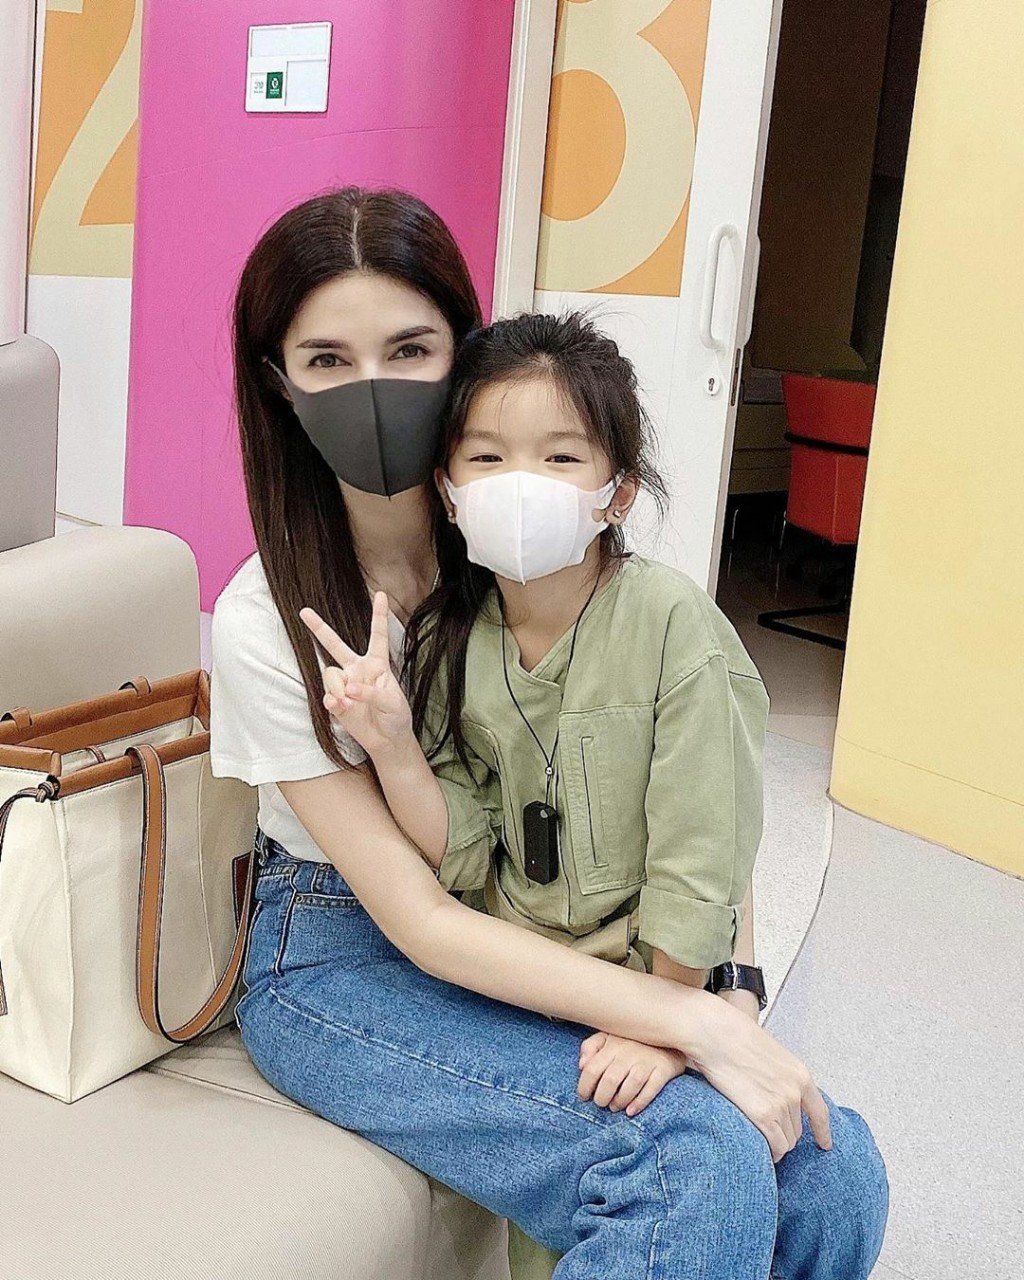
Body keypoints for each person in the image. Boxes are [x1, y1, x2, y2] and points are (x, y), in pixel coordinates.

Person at [211, 185, 889, 1280]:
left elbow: (692, 779)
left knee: (829, 1163)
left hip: (531, 923)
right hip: (341, 954)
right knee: (689, 1158)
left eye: (409, 349)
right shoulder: (262, 616)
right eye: (328, 359)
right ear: (280, 385)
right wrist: (687, 1023)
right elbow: (423, 923)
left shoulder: (523, 540)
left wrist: (728, 987)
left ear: (463, 358)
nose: (372, 387)